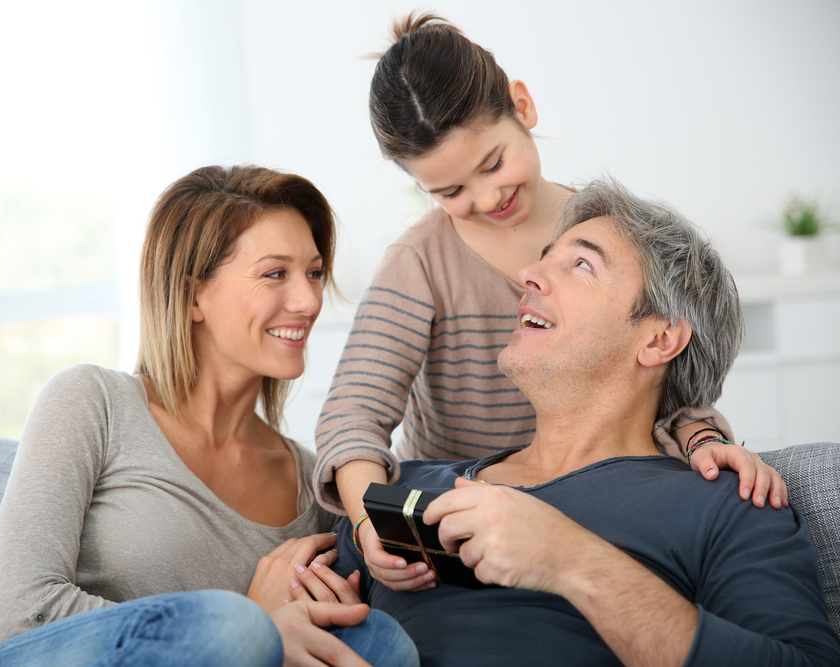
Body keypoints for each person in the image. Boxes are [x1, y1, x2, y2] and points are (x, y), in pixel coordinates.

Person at [314, 13, 786, 593]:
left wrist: (705, 440)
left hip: (596, 503)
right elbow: (351, 418)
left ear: (523, 106)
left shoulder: (609, 231)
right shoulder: (419, 262)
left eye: (492, 163)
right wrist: (369, 524)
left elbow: (660, 375)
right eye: (450, 191)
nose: (488, 198)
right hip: (462, 526)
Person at [317, 178, 840, 666]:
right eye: (545, 258)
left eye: (582, 265)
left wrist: (572, 560)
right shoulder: (397, 495)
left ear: (659, 339)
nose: (528, 274)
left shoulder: (728, 504)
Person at [0, 165, 418, 667]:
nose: (310, 300)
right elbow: (19, 616)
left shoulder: (314, 487)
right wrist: (250, 623)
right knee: (235, 630)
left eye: (312, 272)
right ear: (193, 293)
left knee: (379, 642)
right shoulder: (94, 401)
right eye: (274, 274)